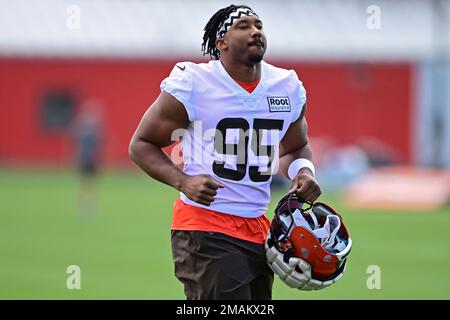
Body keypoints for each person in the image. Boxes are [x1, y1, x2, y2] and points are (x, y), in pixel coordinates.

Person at [129, 4, 321, 300]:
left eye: (259, 25)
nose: (256, 31)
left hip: (260, 227)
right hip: (205, 225)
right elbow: (141, 145)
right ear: (221, 43)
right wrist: (184, 182)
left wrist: (303, 172)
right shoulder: (194, 82)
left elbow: (295, 147)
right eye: (243, 26)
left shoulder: (286, 86)